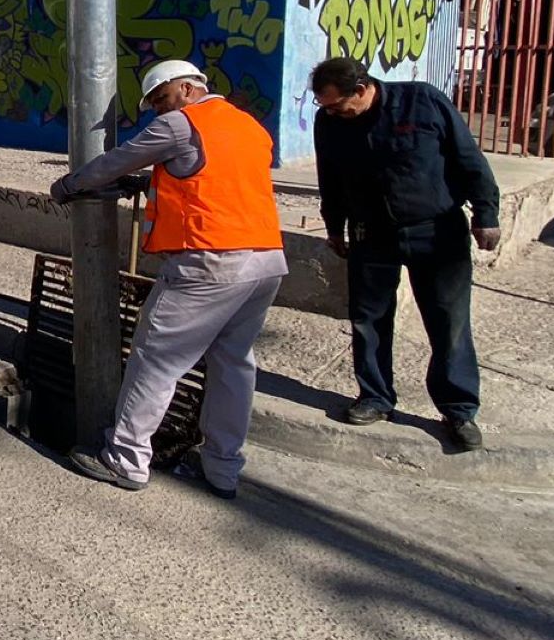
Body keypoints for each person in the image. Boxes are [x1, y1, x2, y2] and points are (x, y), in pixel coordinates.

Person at [50, 59, 288, 500]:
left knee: (156, 360)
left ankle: (125, 459)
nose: (158, 109)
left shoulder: (181, 125)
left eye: (161, 98)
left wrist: (69, 185)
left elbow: (117, 160)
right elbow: (213, 178)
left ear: (187, 88)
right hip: (265, 262)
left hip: (210, 262)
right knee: (233, 364)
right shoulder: (248, 125)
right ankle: (223, 468)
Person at [308, 56, 500, 452]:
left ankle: (458, 408)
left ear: (361, 90)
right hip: (371, 233)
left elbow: (468, 157)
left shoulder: (423, 101)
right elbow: (329, 176)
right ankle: (376, 397)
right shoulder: (330, 122)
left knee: (448, 319)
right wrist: (333, 227)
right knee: (369, 319)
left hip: (436, 229)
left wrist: (486, 213)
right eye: (323, 106)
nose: (330, 112)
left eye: (335, 104)